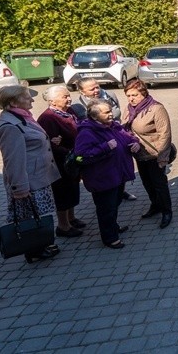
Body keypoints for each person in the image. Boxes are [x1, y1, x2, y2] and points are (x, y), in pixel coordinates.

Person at [0, 85, 61, 263]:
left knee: (37, 214)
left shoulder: (23, 117)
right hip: (27, 182)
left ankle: (40, 244)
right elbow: (13, 161)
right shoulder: (10, 126)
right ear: (13, 102)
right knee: (29, 217)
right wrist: (20, 188)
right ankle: (34, 251)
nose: (32, 100)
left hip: (37, 177)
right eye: (26, 97)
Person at [74, 100, 140, 249]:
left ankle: (113, 227)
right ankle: (110, 238)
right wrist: (104, 147)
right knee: (106, 209)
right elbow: (80, 157)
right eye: (106, 112)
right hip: (102, 179)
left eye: (110, 111)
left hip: (118, 175)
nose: (111, 114)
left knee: (114, 205)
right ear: (95, 116)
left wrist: (135, 143)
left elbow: (130, 137)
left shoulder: (115, 127)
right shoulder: (87, 132)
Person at [71, 77, 135, 201]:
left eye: (97, 86)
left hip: (114, 132)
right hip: (99, 142)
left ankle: (121, 191)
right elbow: (81, 155)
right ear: (82, 92)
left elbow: (118, 112)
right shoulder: (77, 106)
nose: (96, 90)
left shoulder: (109, 95)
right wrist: (104, 145)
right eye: (92, 89)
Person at [122, 79, 173, 229]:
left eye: (134, 95)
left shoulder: (156, 109)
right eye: (128, 95)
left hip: (154, 154)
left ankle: (166, 211)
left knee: (159, 184)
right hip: (139, 154)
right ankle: (155, 205)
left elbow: (165, 134)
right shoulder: (130, 109)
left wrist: (163, 157)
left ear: (143, 93)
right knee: (147, 183)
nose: (131, 98)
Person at [37, 85, 84, 237]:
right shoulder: (48, 117)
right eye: (64, 97)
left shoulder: (68, 112)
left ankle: (71, 218)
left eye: (68, 95)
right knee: (62, 193)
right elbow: (50, 143)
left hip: (72, 159)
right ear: (52, 101)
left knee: (72, 189)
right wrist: (68, 151)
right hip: (60, 163)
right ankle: (63, 226)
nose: (69, 99)